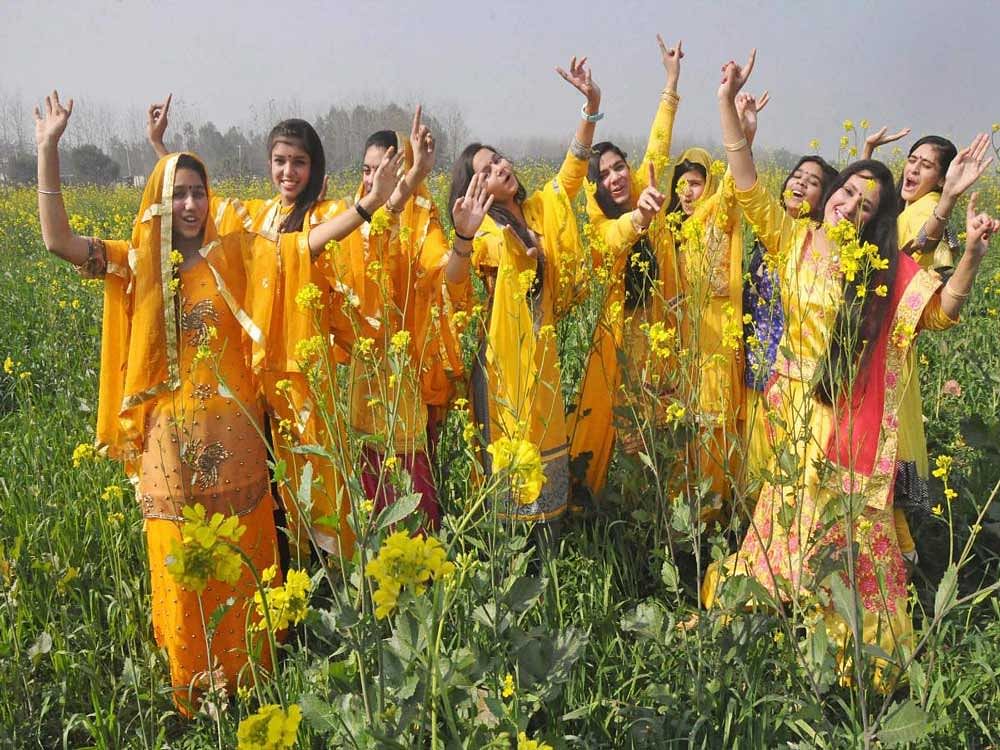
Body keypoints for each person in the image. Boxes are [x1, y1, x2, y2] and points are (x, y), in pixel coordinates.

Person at [38, 91, 402, 713]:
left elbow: (303, 249)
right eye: (177, 193)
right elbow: (58, 241)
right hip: (169, 456)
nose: (189, 203)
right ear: (159, 200)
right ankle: (195, 689)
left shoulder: (234, 255)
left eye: (198, 192)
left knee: (244, 559)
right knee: (182, 567)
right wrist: (48, 149)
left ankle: (257, 681)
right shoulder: (135, 265)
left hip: (237, 454)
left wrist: (368, 204)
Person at [705, 53, 996, 686]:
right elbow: (748, 179)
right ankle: (770, 629)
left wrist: (970, 254)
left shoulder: (880, 272)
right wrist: (727, 103)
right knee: (782, 521)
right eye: (844, 193)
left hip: (843, 423)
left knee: (842, 535)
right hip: (791, 415)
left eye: (864, 205)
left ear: (874, 220)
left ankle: (844, 653)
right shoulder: (793, 240)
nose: (847, 207)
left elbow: (941, 313)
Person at [148, 98, 361, 558]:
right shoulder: (254, 216)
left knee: (311, 479)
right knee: (268, 483)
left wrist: (372, 204)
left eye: (299, 162)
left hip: (300, 374)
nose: (289, 172)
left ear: (315, 165)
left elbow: (310, 247)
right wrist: (160, 146)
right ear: (268, 164)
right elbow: (196, 207)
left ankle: (324, 581)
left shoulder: (327, 213)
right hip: (252, 378)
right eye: (280, 161)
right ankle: (280, 572)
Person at [447, 57, 601, 531]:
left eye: (499, 160)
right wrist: (464, 238)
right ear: (476, 188)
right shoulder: (486, 234)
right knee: (510, 464)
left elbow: (575, 164)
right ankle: (511, 561)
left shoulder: (541, 207)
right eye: (488, 170)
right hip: (501, 369)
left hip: (545, 359)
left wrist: (591, 103)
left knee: (548, 454)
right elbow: (454, 285)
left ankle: (549, 555)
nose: (501, 168)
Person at [325, 110, 471, 531]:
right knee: (363, 472)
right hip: (363, 370)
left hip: (405, 372)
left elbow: (447, 278)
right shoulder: (351, 217)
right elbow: (370, 236)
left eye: (388, 168)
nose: (375, 179)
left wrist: (463, 240)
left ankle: (419, 564)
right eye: (369, 170)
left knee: (408, 472)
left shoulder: (422, 221)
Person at [865, 130, 992, 566]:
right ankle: (903, 560)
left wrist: (946, 203)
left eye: (926, 165)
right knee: (892, 460)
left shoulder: (922, 210)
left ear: (942, 178)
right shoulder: (903, 208)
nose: (913, 169)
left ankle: (903, 567)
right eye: (912, 159)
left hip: (886, 358)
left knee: (886, 462)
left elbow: (914, 246)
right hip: (885, 354)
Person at [568, 34, 683, 500]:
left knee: (668, 435)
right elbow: (613, 239)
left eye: (619, 167)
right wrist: (639, 219)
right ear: (593, 188)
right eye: (603, 175)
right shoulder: (599, 223)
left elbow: (659, 141)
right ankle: (618, 516)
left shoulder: (647, 188)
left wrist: (671, 80)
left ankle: (666, 516)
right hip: (622, 346)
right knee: (628, 437)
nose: (615, 177)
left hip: (667, 334)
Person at [742, 149, 838, 483]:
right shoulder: (770, 233)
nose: (800, 183)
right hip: (755, 356)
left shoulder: (810, 241)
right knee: (755, 449)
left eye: (812, 183)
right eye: (797, 176)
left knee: (784, 456)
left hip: (789, 367)